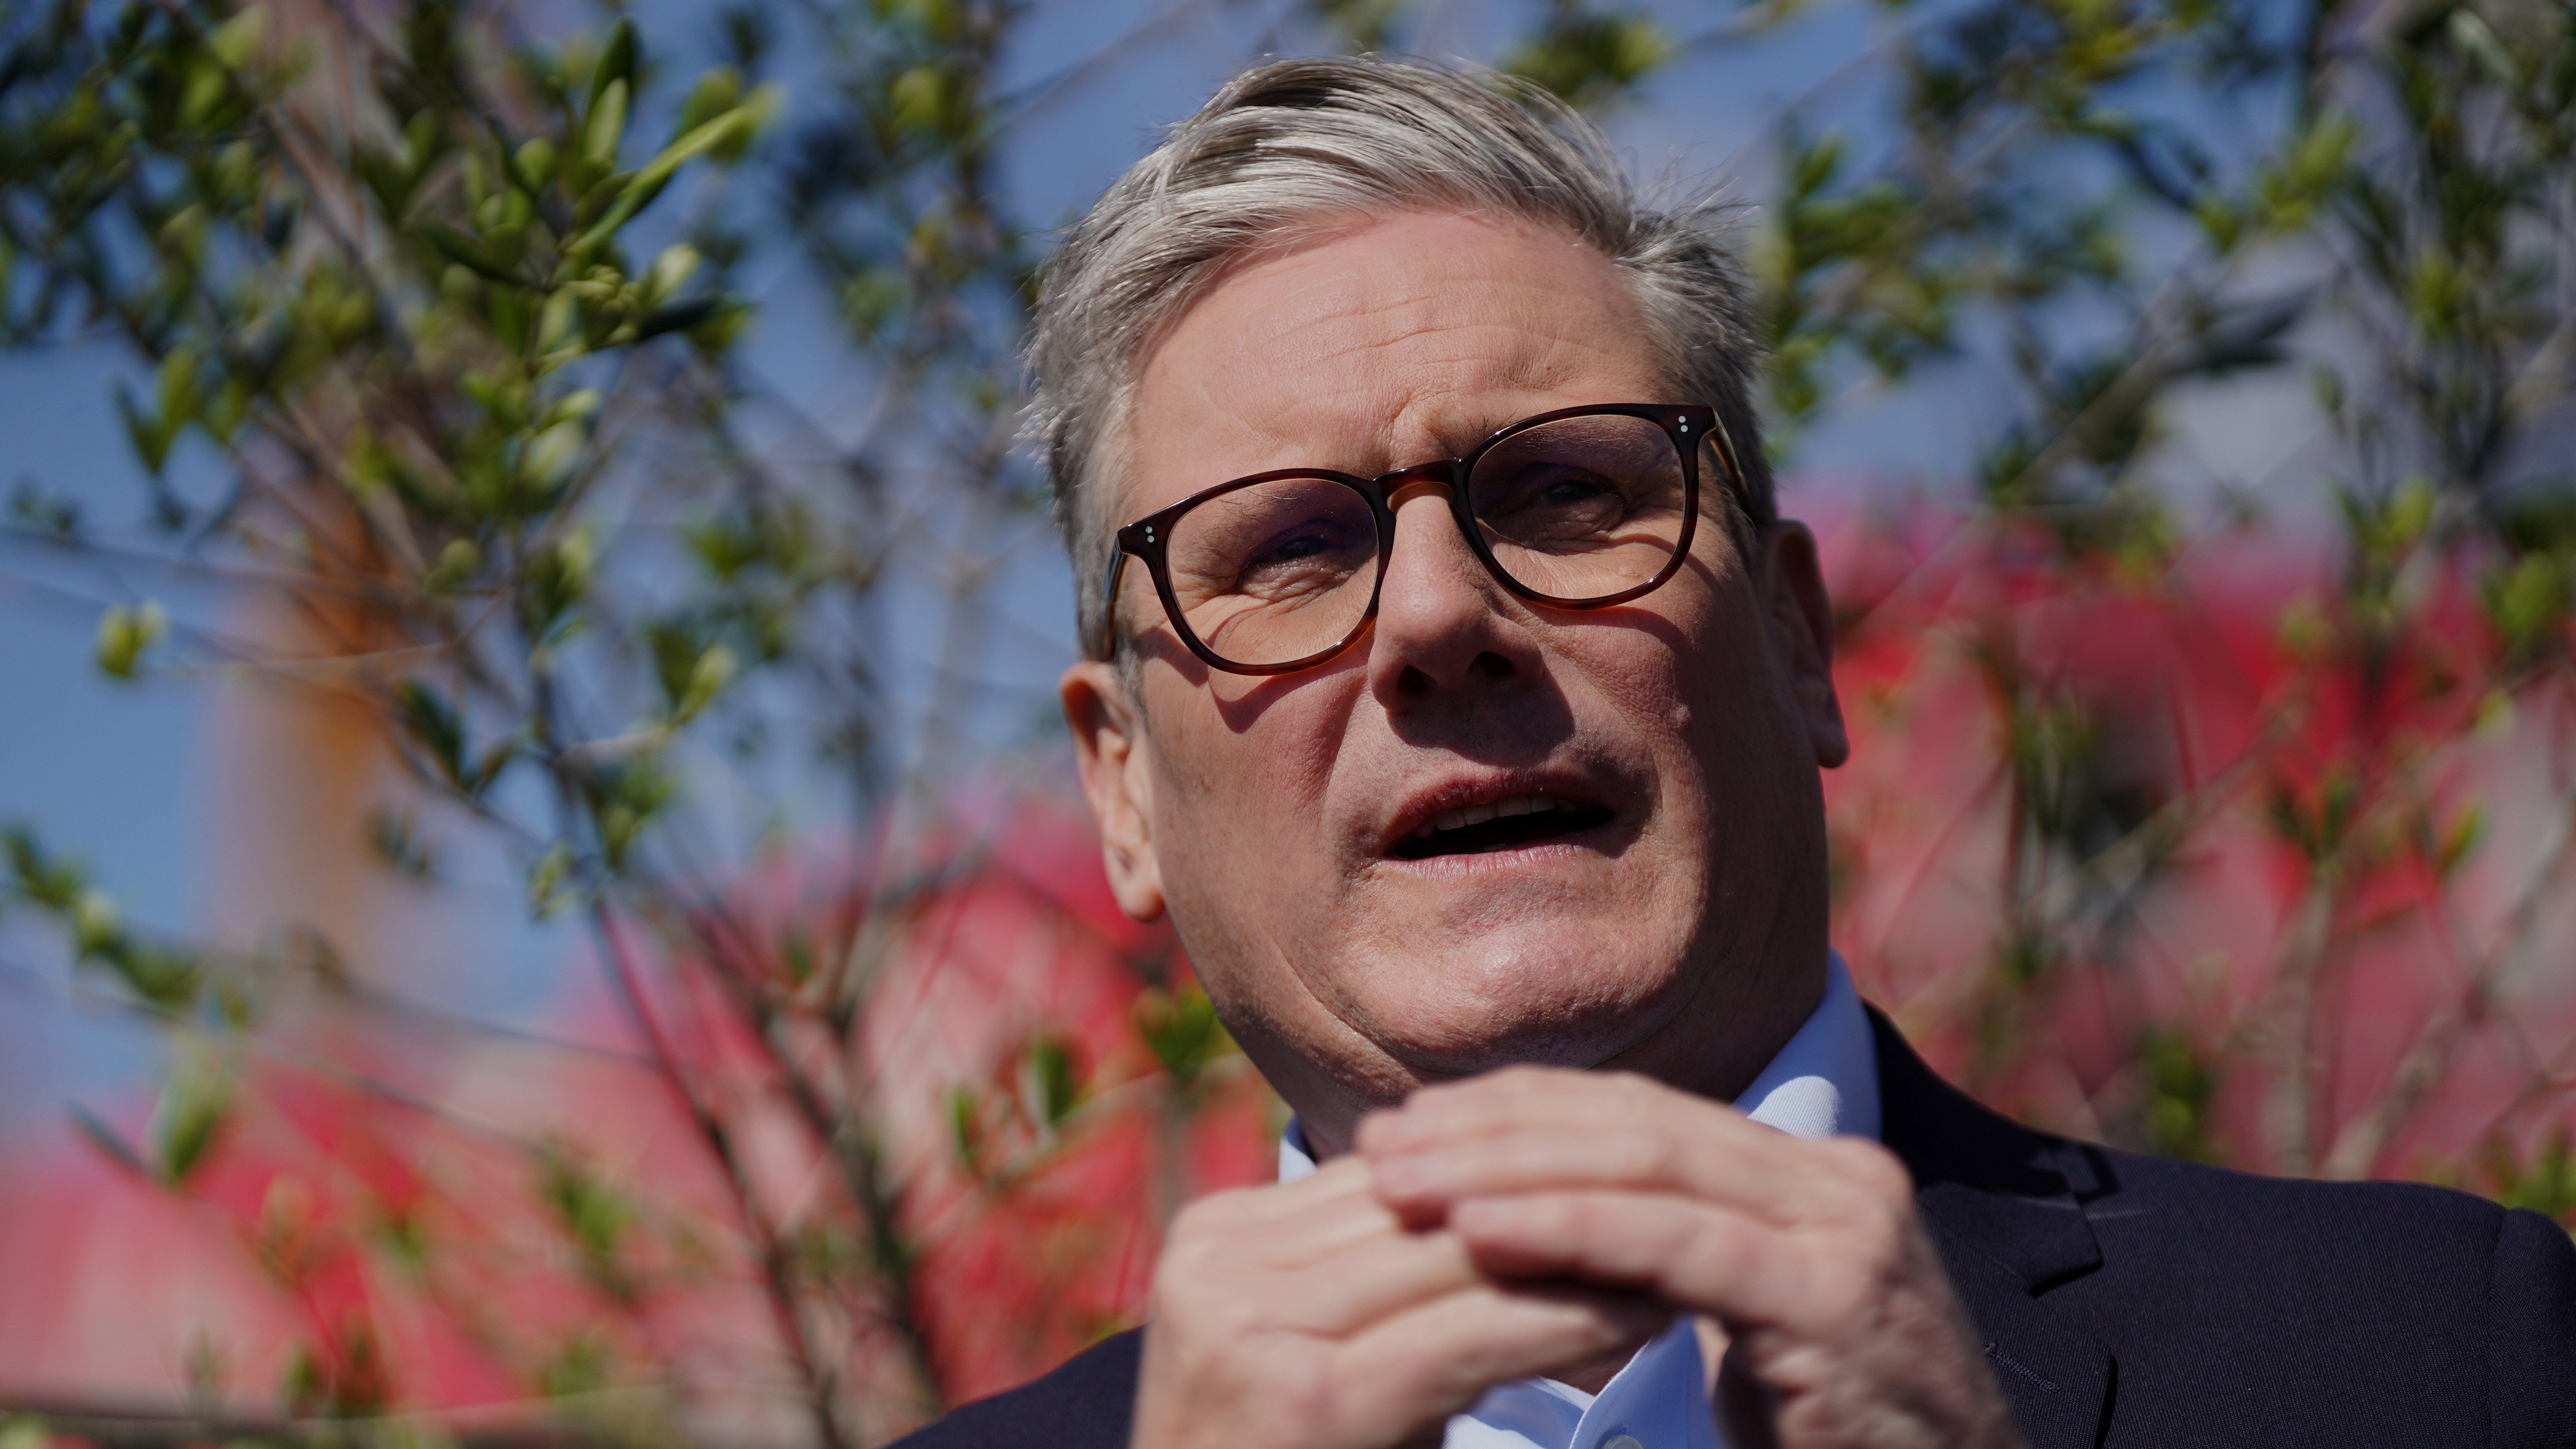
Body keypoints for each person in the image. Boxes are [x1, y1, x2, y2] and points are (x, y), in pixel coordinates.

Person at [897, 55, 2576, 1449]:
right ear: (1123, 786)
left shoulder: (2443, 1358)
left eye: (1566, 489)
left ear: (1796, 640)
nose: (1438, 614)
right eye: (1287, 548)